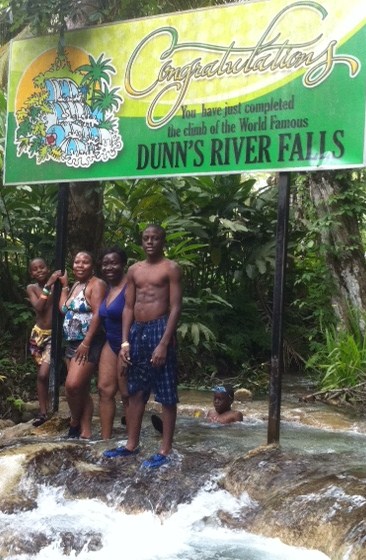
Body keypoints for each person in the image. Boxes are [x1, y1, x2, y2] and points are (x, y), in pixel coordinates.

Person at [103, 224, 182, 468]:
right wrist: (125, 341)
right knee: (135, 390)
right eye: (146, 238)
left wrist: (164, 343)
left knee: (166, 392)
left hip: (160, 328)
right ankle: (131, 445)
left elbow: (176, 307)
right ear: (141, 241)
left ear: (162, 241)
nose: (150, 242)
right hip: (138, 329)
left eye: (155, 238)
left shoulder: (171, 268)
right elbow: (128, 306)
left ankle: (165, 449)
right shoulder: (134, 270)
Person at [59, 251, 106, 439]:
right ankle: (85, 432)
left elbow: (98, 314)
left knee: (72, 385)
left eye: (85, 262)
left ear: (92, 265)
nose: (80, 265)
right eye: (77, 262)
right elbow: (64, 309)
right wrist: (64, 287)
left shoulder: (97, 284)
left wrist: (86, 343)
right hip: (71, 343)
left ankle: (74, 422)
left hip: (87, 343)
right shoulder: (76, 285)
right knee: (82, 389)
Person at [27, 258, 62, 427]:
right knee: (41, 376)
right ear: (31, 273)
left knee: (44, 373)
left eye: (42, 267)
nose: (39, 270)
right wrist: (47, 286)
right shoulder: (32, 288)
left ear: (48, 268)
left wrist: (60, 283)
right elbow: (39, 307)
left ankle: (50, 406)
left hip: (52, 336)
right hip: (36, 336)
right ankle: (43, 411)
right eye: (35, 269)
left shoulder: (58, 286)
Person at [98, 247, 129, 439]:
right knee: (104, 389)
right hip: (110, 342)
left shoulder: (130, 286)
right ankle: (105, 440)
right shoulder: (107, 288)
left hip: (127, 343)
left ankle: (131, 440)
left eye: (114, 262)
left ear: (123, 264)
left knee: (127, 393)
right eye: (105, 263)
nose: (109, 267)